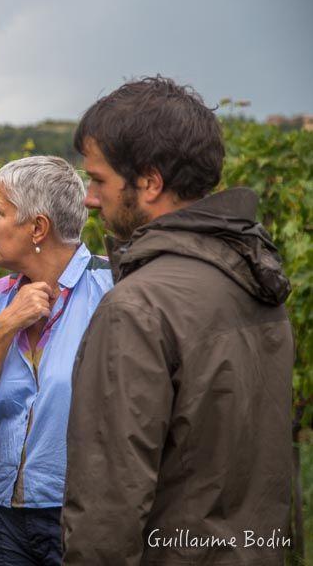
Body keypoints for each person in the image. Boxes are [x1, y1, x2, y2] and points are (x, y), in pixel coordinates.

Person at [62, 76, 294, 565]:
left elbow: (108, 508)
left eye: (99, 180)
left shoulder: (137, 308)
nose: (88, 198)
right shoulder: (257, 280)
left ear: (149, 182)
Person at [0, 156, 114, 566]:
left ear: (38, 228)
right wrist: (5, 326)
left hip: (82, 516)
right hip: (4, 514)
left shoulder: (113, 292)